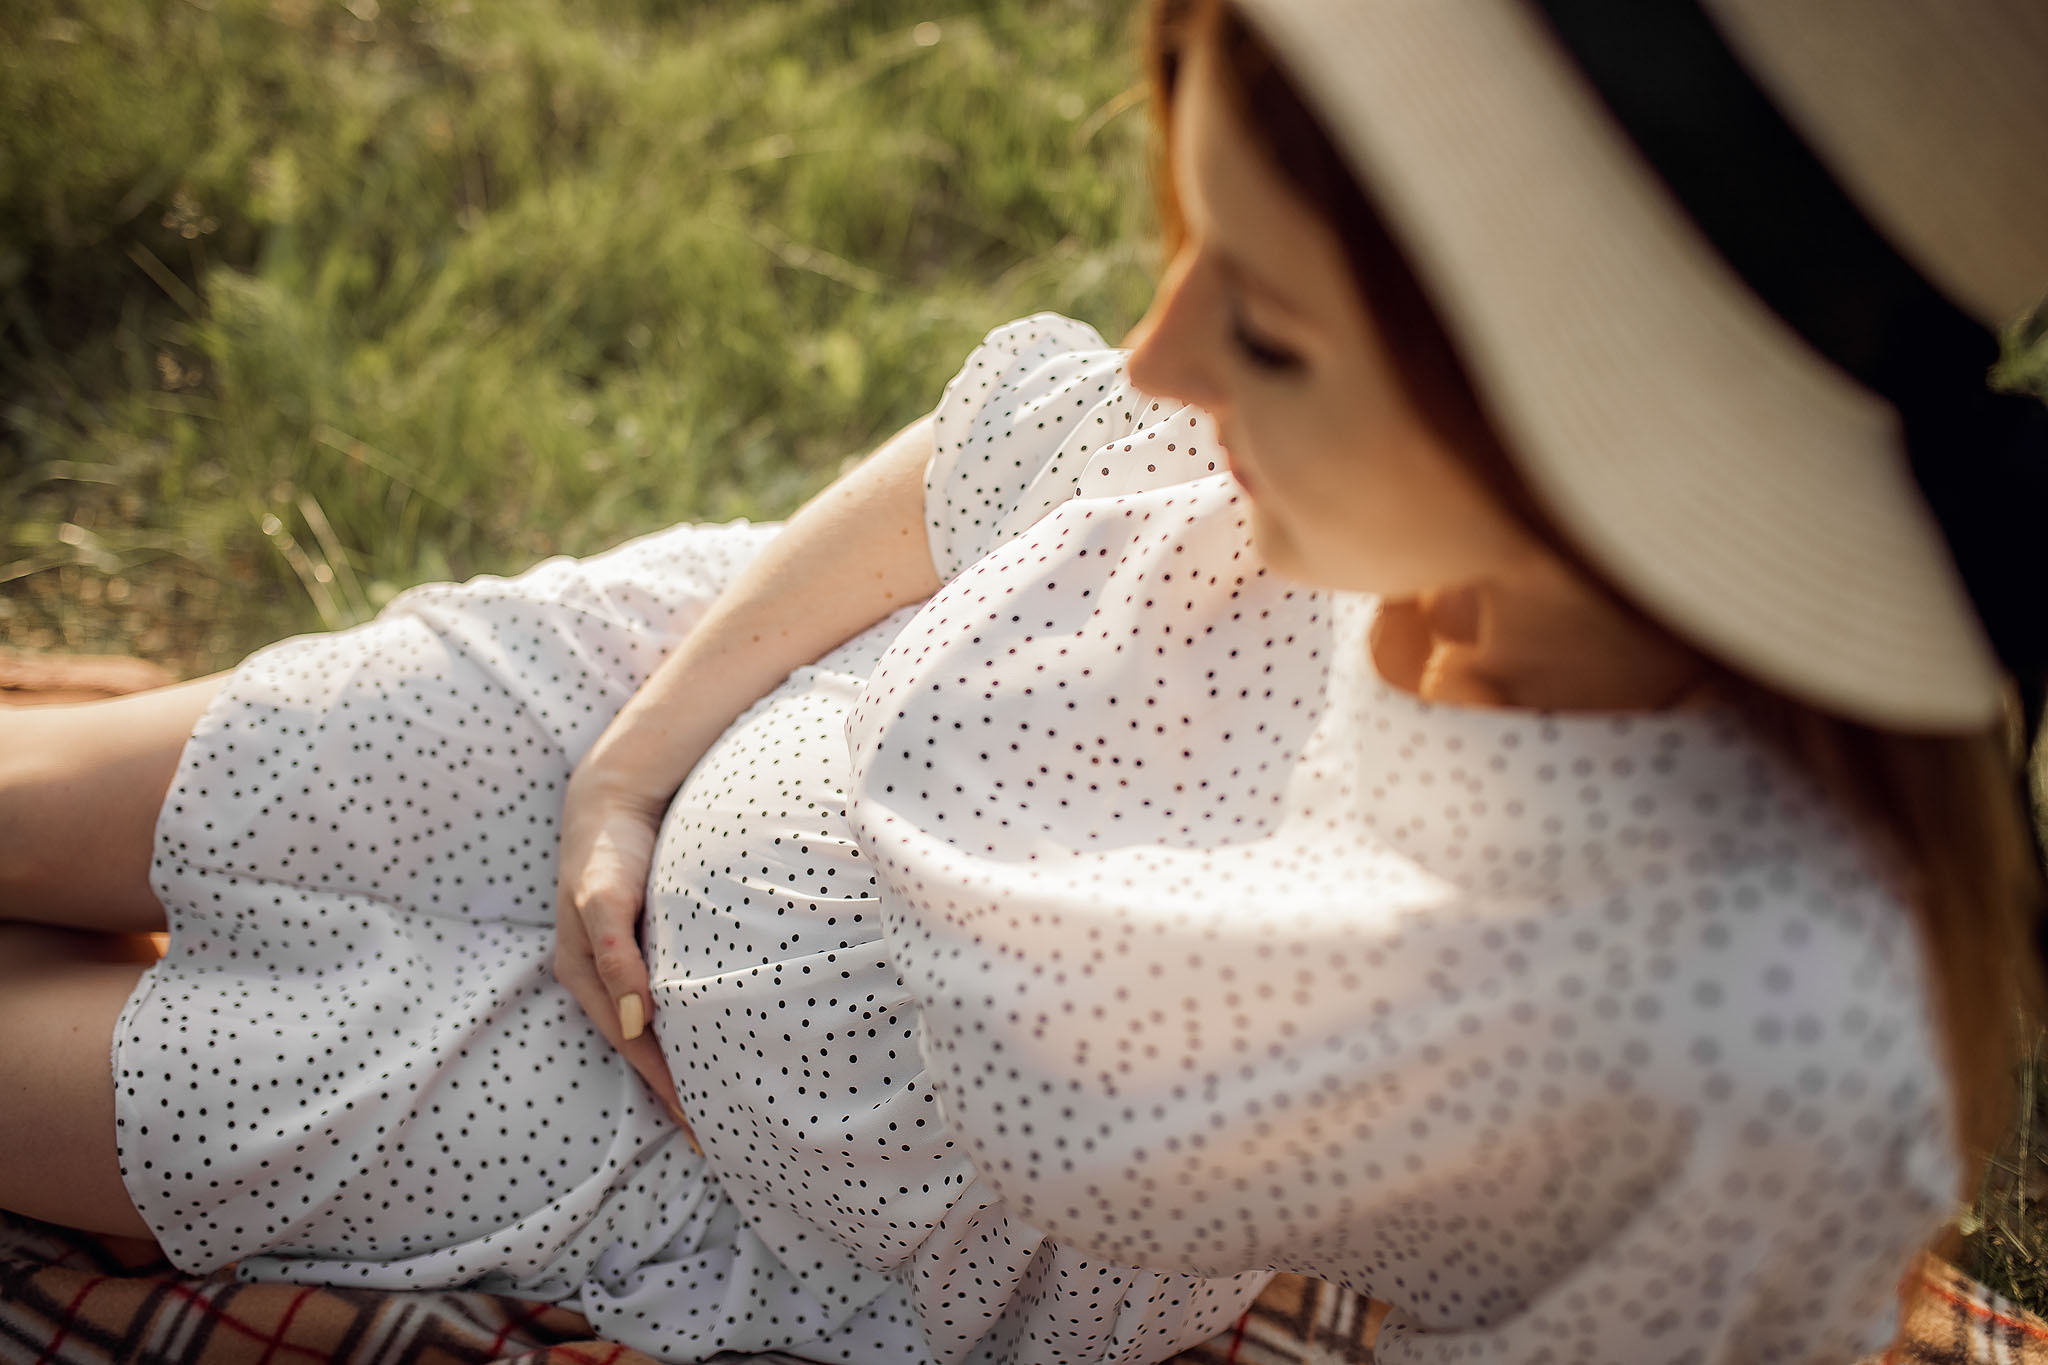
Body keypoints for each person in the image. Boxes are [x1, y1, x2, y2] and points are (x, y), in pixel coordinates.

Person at [4, 0, 2046, 1359]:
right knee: (33, 806)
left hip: (726, 1181)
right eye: (1191, 247)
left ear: (1600, 438)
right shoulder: (1324, 449)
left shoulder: (1716, 1025)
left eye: (1268, 327)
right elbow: (988, 464)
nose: (1159, 358)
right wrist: (629, 760)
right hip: (696, 696)